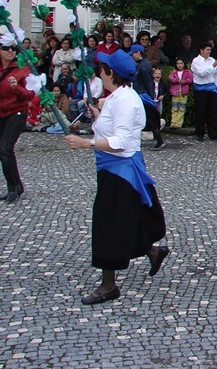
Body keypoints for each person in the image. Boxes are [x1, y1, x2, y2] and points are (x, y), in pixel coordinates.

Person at [64, 49, 168, 305]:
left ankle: (108, 285)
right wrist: (98, 118)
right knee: (127, 220)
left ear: (111, 74)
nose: (100, 70)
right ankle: (153, 251)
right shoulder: (118, 97)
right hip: (114, 168)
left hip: (120, 170)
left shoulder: (124, 100)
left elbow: (121, 142)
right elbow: (116, 128)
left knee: (107, 224)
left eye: (103, 68)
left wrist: (84, 142)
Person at [0, 40, 36, 202]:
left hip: (16, 111)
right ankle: (16, 185)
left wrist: (16, 87)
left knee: (6, 147)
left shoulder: (22, 69)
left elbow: (30, 95)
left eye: (13, 48)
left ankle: (13, 188)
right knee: (1, 150)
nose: (10, 51)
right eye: (6, 48)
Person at [130, 45, 166, 150]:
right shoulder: (143, 64)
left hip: (143, 96)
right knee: (146, 119)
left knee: (150, 119)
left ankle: (160, 141)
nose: (132, 56)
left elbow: (148, 82)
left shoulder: (144, 65)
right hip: (142, 95)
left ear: (138, 53)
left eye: (133, 54)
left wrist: (150, 97)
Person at [191, 43, 217, 142]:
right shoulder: (196, 61)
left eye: (210, 50)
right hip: (200, 89)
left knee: (213, 112)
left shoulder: (211, 59)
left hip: (212, 88)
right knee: (201, 112)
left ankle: (214, 134)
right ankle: (200, 134)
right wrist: (214, 64)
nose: (209, 51)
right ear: (201, 50)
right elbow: (201, 73)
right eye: (207, 49)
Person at [168, 58, 193, 128]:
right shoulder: (174, 72)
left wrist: (184, 81)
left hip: (183, 92)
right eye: (178, 64)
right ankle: (173, 123)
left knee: (181, 109)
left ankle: (178, 124)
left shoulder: (187, 72)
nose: (179, 65)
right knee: (174, 108)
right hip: (175, 92)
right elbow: (171, 78)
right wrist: (177, 80)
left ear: (184, 64)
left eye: (181, 63)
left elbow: (190, 79)